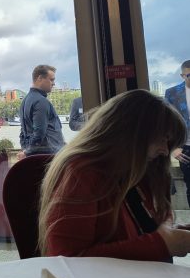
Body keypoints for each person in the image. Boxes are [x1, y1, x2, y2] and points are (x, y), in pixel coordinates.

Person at [39, 89, 190, 261]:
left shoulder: (142, 168)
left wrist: (170, 234)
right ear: (131, 135)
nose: (164, 151)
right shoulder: (80, 173)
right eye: (162, 139)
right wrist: (163, 243)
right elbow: (68, 258)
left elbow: (144, 230)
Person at [19, 64, 64, 157]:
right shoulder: (40, 101)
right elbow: (39, 133)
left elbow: (23, 133)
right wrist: (27, 152)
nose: (54, 83)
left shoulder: (25, 101)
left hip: (36, 157)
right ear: (40, 78)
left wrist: (26, 151)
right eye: (51, 79)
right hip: (48, 157)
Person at [165, 60, 190, 207]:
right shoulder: (172, 93)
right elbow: (165, 123)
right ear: (182, 75)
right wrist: (173, 147)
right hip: (186, 148)